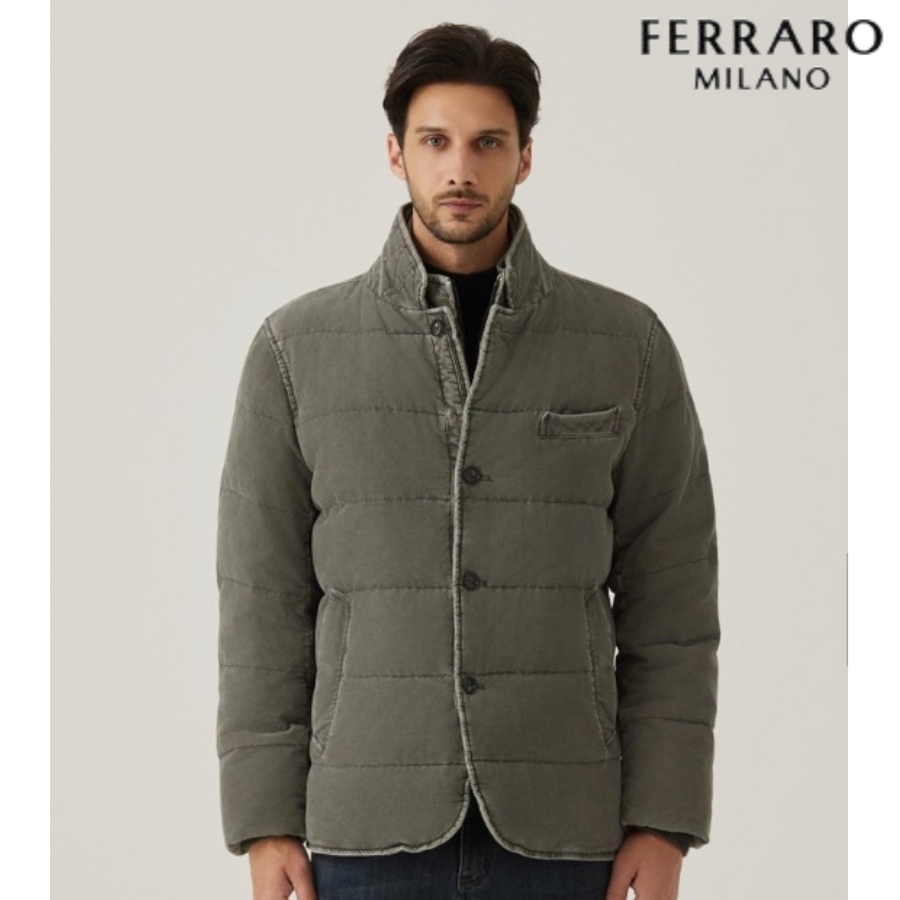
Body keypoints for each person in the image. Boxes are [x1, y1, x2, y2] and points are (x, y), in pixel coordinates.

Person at [216, 22, 720, 900]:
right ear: (395, 154)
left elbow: (672, 602)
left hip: (568, 829)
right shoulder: (296, 350)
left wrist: (662, 818)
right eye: (435, 141)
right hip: (363, 829)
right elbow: (262, 602)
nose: (460, 169)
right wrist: (264, 822)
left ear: (525, 158)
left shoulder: (625, 344)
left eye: (488, 143)